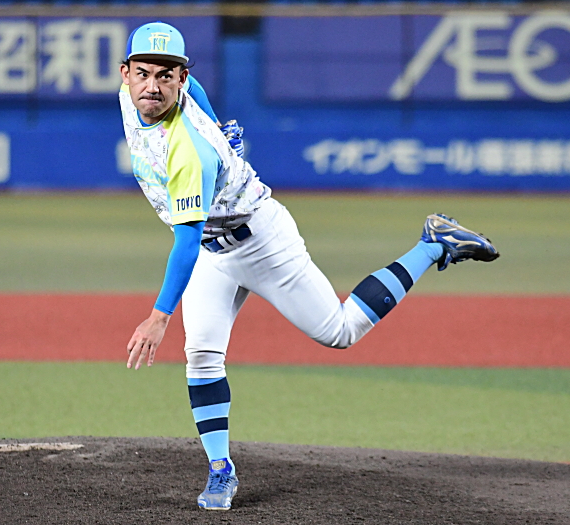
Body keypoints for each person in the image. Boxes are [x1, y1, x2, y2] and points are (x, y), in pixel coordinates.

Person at [119, 22, 499, 511]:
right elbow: (196, 100)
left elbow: (187, 241)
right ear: (126, 74)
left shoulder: (189, 152)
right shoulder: (133, 97)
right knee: (202, 356)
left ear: (181, 79)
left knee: (340, 332)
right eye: (144, 73)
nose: (153, 85)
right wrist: (217, 124)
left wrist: (159, 316)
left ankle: (432, 244)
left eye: (166, 75)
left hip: (260, 240)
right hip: (215, 254)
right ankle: (220, 470)